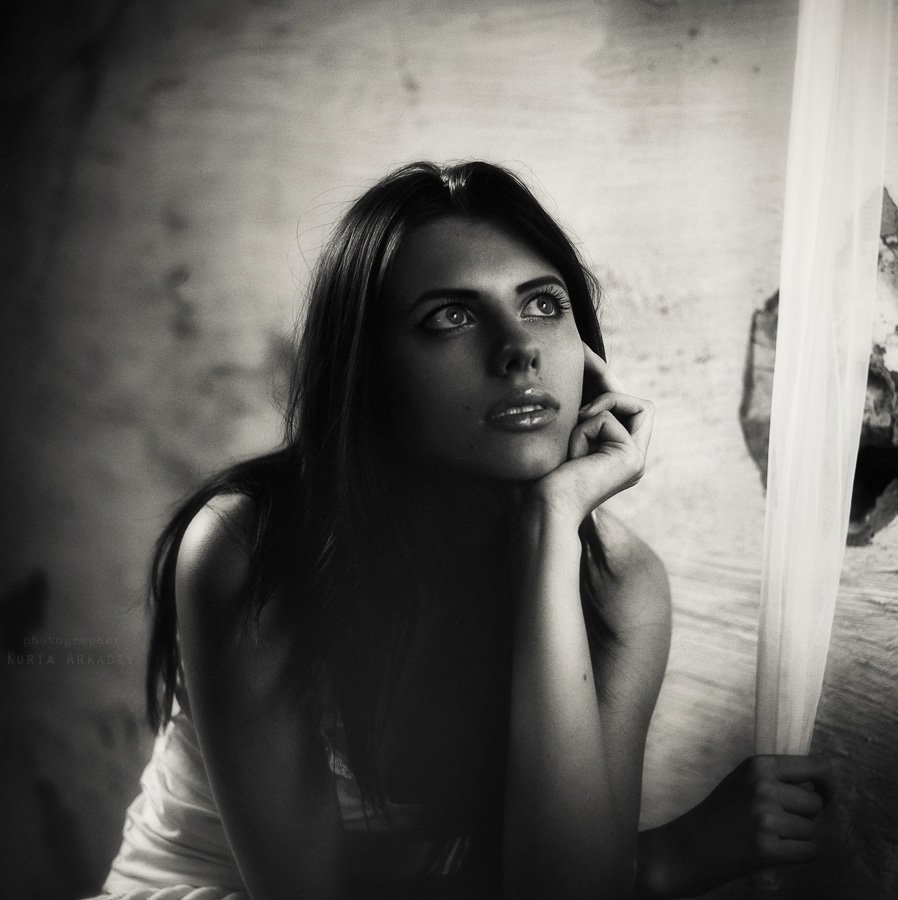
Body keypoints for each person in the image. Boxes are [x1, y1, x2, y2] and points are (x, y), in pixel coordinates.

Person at [99, 161, 833, 899]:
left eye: (543, 305)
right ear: (366, 368)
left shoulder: (618, 581)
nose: (519, 349)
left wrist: (549, 527)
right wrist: (658, 863)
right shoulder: (249, 545)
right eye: (451, 317)